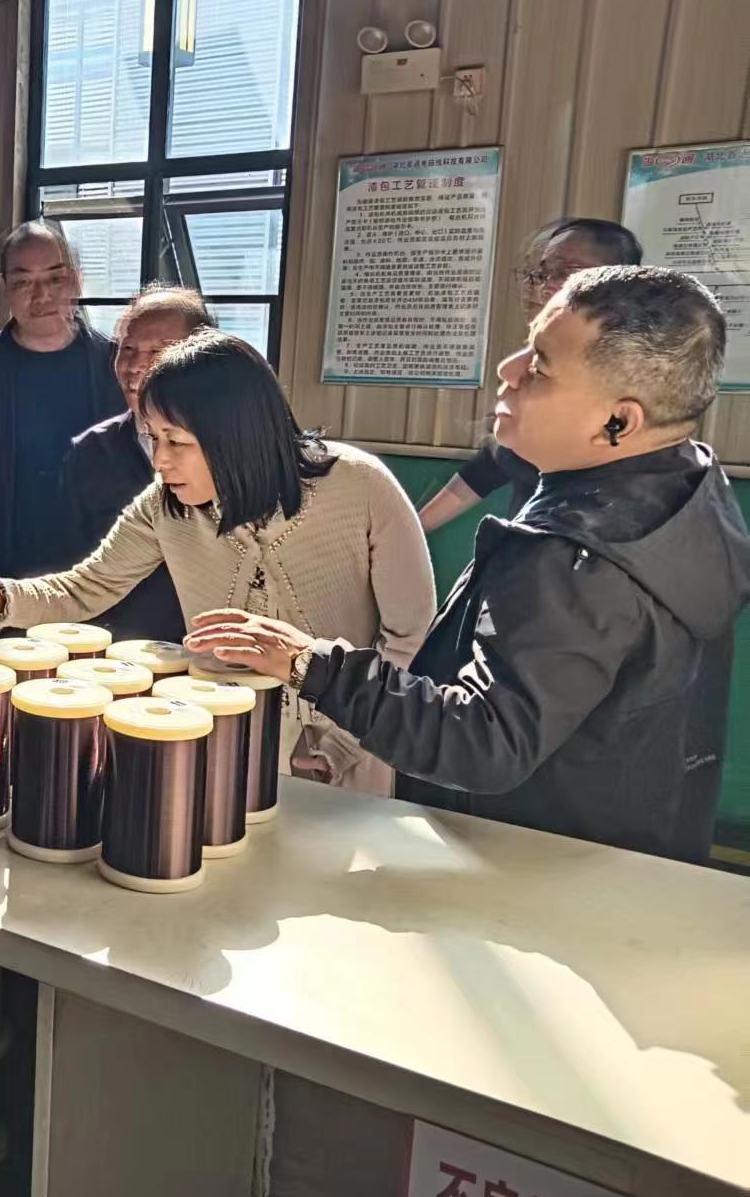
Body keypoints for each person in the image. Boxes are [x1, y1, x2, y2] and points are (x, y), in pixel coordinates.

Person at [186, 268, 747, 863]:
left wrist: (309, 664)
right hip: (642, 846)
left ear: (618, 422)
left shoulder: (574, 558)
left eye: (540, 367)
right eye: (527, 345)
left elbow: (485, 741)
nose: (508, 369)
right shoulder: (692, 482)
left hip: (539, 866)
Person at [0, 330, 436, 794]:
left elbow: (410, 634)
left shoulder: (361, 487)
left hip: (351, 755)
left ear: (236, 436)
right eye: (154, 438)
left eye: (177, 442)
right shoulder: (165, 506)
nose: (160, 460)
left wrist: (340, 745)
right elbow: (85, 587)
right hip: (221, 745)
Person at [420, 217, 642, 530]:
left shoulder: (638, 371)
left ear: (620, 283)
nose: (545, 286)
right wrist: (412, 529)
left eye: (565, 272)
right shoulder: (542, 353)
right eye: (542, 272)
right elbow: (492, 464)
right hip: (531, 543)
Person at [0, 220, 123, 577]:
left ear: (77, 280)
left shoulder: (116, 366)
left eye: (55, 278)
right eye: (23, 282)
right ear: (3, 286)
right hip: (0, 565)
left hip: (100, 565)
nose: (41, 296)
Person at [61, 285, 213, 640]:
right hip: (121, 650)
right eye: (127, 349)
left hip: (215, 649)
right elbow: (71, 571)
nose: (135, 366)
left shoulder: (231, 448)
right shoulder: (90, 451)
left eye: (158, 351)